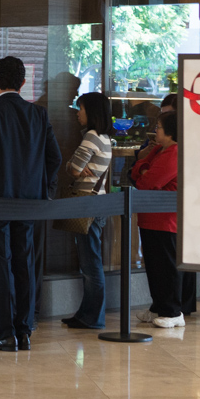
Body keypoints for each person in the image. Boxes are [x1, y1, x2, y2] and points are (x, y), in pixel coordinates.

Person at [0, 56, 61, 351]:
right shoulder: (39, 114)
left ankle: (4, 332)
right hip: (31, 203)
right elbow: (55, 157)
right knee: (24, 263)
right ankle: (24, 330)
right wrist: (45, 189)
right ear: (23, 83)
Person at [130, 111, 194, 327]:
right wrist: (143, 169)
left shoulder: (175, 153)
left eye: (158, 127)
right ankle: (158, 306)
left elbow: (148, 183)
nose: (155, 130)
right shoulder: (158, 149)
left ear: (170, 132)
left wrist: (144, 172)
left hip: (166, 220)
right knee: (154, 266)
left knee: (167, 267)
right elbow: (136, 169)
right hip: (149, 218)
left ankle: (173, 311)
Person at [59, 91, 114, 330]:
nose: (77, 112)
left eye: (80, 108)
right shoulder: (104, 137)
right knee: (89, 262)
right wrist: (75, 168)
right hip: (96, 203)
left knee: (90, 263)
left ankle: (93, 316)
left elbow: (72, 169)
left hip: (88, 204)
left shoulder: (91, 137)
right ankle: (85, 313)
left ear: (91, 111)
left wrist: (72, 166)